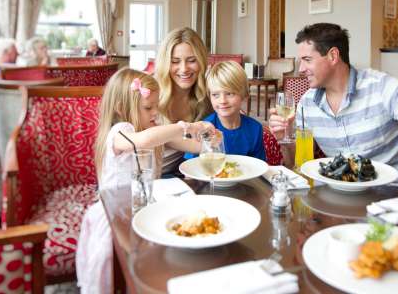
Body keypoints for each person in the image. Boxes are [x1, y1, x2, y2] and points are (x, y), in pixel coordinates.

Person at [268, 23, 398, 194]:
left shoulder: (382, 87)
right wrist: (285, 136)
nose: (300, 69)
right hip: (336, 193)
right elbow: (298, 163)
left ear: (333, 56)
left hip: (391, 193)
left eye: (307, 59)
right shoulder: (307, 103)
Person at [76, 68, 213, 293]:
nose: (155, 113)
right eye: (148, 108)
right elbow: (144, 140)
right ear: (122, 108)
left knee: (152, 260)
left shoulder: (150, 130)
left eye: (156, 106)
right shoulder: (119, 133)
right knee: (125, 271)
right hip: (116, 217)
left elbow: (193, 146)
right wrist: (184, 126)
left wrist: (209, 140)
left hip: (142, 209)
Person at [155, 27, 213, 178]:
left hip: (182, 178)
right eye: (175, 62)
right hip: (144, 179)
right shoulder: (149, 95)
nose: (184, 69)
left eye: (192, 60)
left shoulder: (207, 97)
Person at [184, 61, 266, 161]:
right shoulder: (204, 128)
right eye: (215, 95)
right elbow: (190, 168)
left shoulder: (255, 128)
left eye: (229, 93)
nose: (222, 101)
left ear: (244, 95)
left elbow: (258, 166)